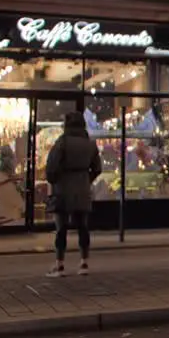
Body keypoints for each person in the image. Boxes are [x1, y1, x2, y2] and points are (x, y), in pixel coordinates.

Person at [43, 111, 102, 277]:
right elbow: (97, 168)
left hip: (63, 189)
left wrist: (54, 180)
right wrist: (86, 179)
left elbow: (52, 167)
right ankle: (84, 263)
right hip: (83, 188)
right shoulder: (90, 144)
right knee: (83, 227)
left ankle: (59, 264)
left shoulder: (62, 143)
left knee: (61, 228)